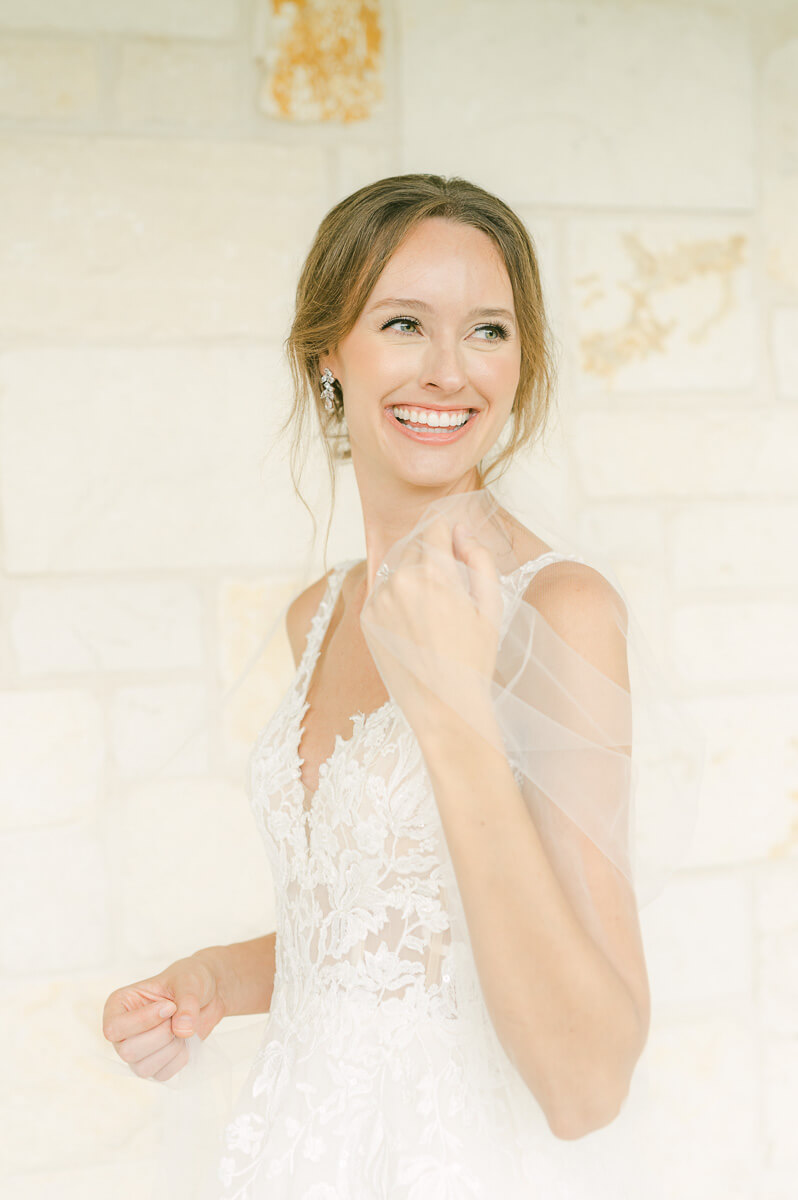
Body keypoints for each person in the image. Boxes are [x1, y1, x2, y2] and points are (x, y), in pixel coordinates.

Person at [102, 174, 679, 1198]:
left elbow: (588, 1084)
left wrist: (453, 710)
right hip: (300, 1151)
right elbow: (395, 935)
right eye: (405, 323)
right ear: (329, 350)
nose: (449, 372)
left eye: (489, 332)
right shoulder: (316, 613)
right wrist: (214, 980)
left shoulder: (560, 611)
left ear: (524, 360)